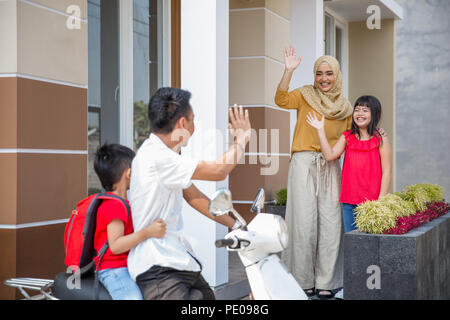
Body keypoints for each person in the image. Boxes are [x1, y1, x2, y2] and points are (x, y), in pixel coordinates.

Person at [127, 87, 251, 300]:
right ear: (182, 124)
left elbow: (195, 197)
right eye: (193, 120)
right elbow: (218, 170)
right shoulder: (158, 157)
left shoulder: (164, 156)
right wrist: (242, 139)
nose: (194, 126)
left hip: (178, 261)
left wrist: (237, 226)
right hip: (158, 269)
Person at [274, 46, 353, 299]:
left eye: (329, 73)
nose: (324, 79)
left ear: (337, 75)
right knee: (303, 223)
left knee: (331, 224)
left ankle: (326, 281)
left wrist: (377, 135)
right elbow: (281, 99)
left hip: (331, 165)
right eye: (319, 73)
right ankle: (302, 279)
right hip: (304, 162)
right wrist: (288, 71)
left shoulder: (346, 108)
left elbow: (352, 136)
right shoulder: (305, 94)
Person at [306, 95, 392, 233]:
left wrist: (381, 200)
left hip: (373, 202)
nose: (359, 114)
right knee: (353, 243)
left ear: (374, 114)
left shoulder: (380, 138)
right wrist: (320, 130)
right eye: (357, 110)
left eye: (365, 110)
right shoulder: (347, 136)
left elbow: (387, 171)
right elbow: (329, 155)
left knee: (370, 243)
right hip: (349, 201)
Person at [93, 143, 167, 300]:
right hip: (114, 270)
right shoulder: (114, 205)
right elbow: (116, 245)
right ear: (129, 173)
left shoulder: (123, 202)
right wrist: (148, 232)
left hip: (126, 266)